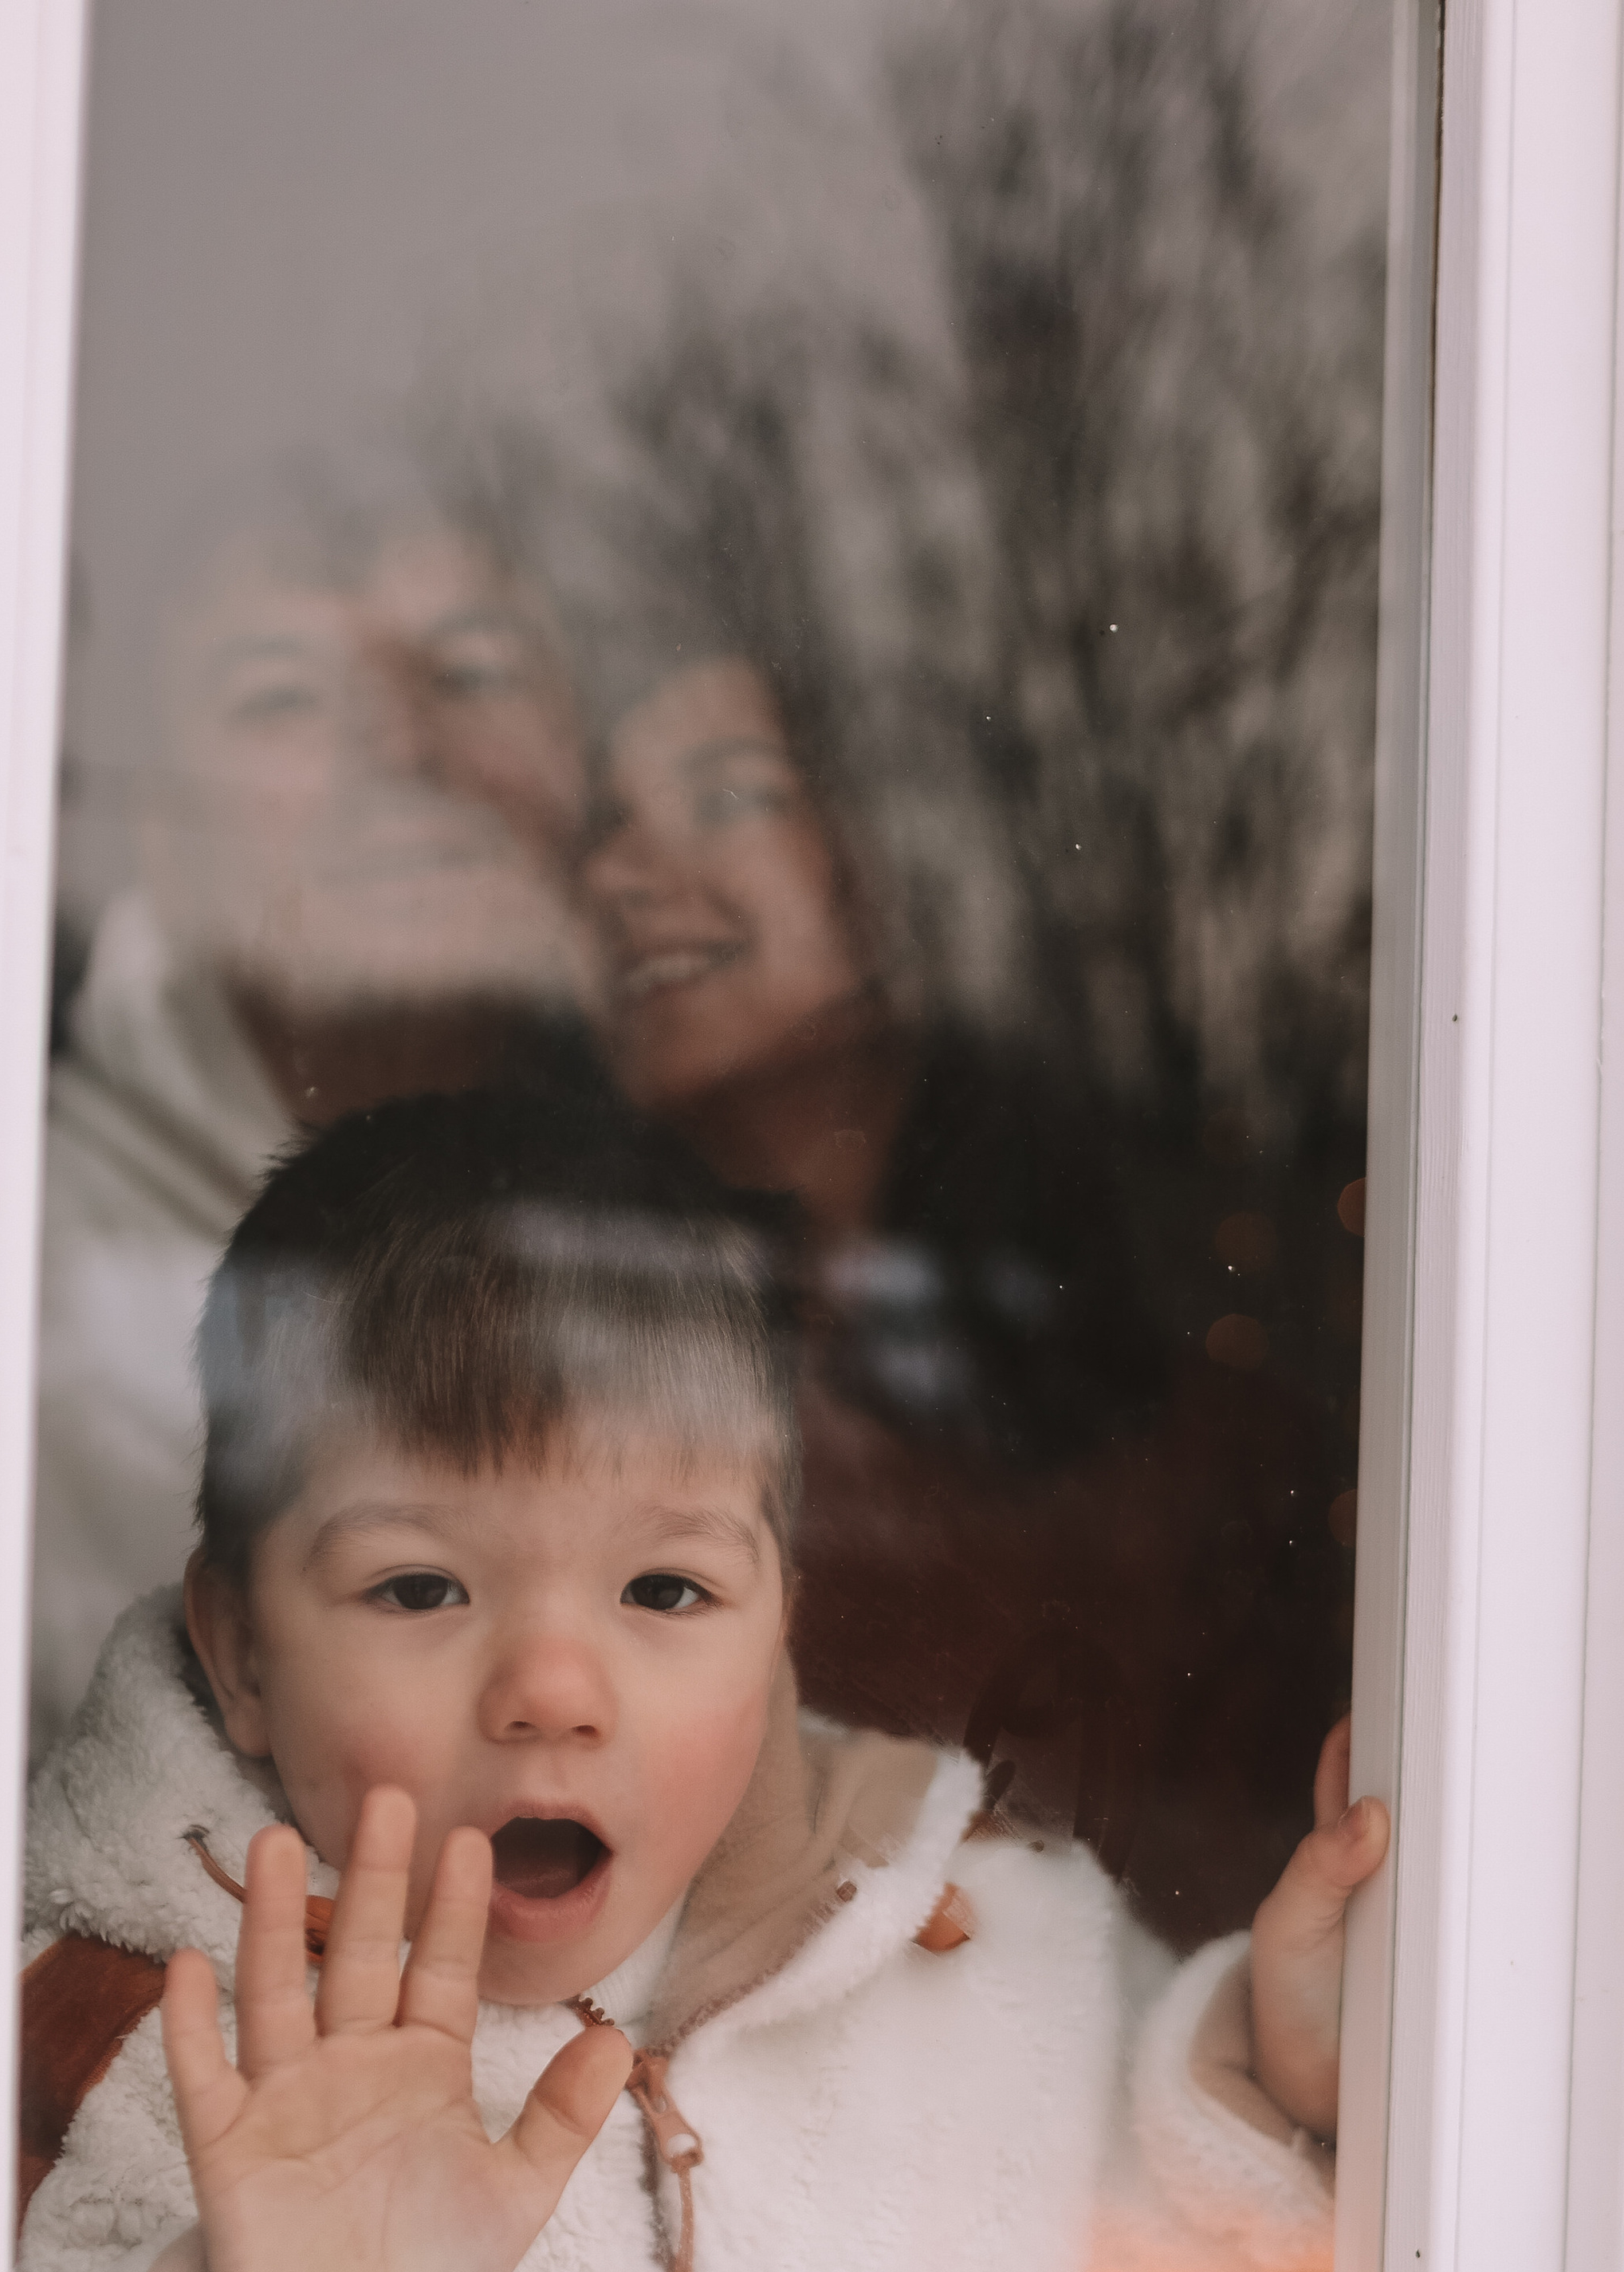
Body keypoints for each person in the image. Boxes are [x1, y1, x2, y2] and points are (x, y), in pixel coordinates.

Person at [6, 1089, 1386, 2272]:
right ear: (236, 1651)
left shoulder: (917, 1929)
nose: (553, 1685)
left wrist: (1264, 2069)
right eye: (421, 1588)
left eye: (663, 1593)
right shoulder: (145, 2052)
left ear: (777, 1626)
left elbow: (1102, 2188)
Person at [583, 648, 1360, 1946]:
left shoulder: (1219, 1468)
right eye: (603, 832)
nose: (620, 876)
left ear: (897, 871)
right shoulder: (544, 1379)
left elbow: (1241, 1966)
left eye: (727, 796)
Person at [30, 484, 603, 1762]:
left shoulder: (715, 1234)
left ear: (574, 772)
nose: (402, 740)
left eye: (475, 667)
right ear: (164, 844)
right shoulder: (10, 1305)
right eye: (282, 696)